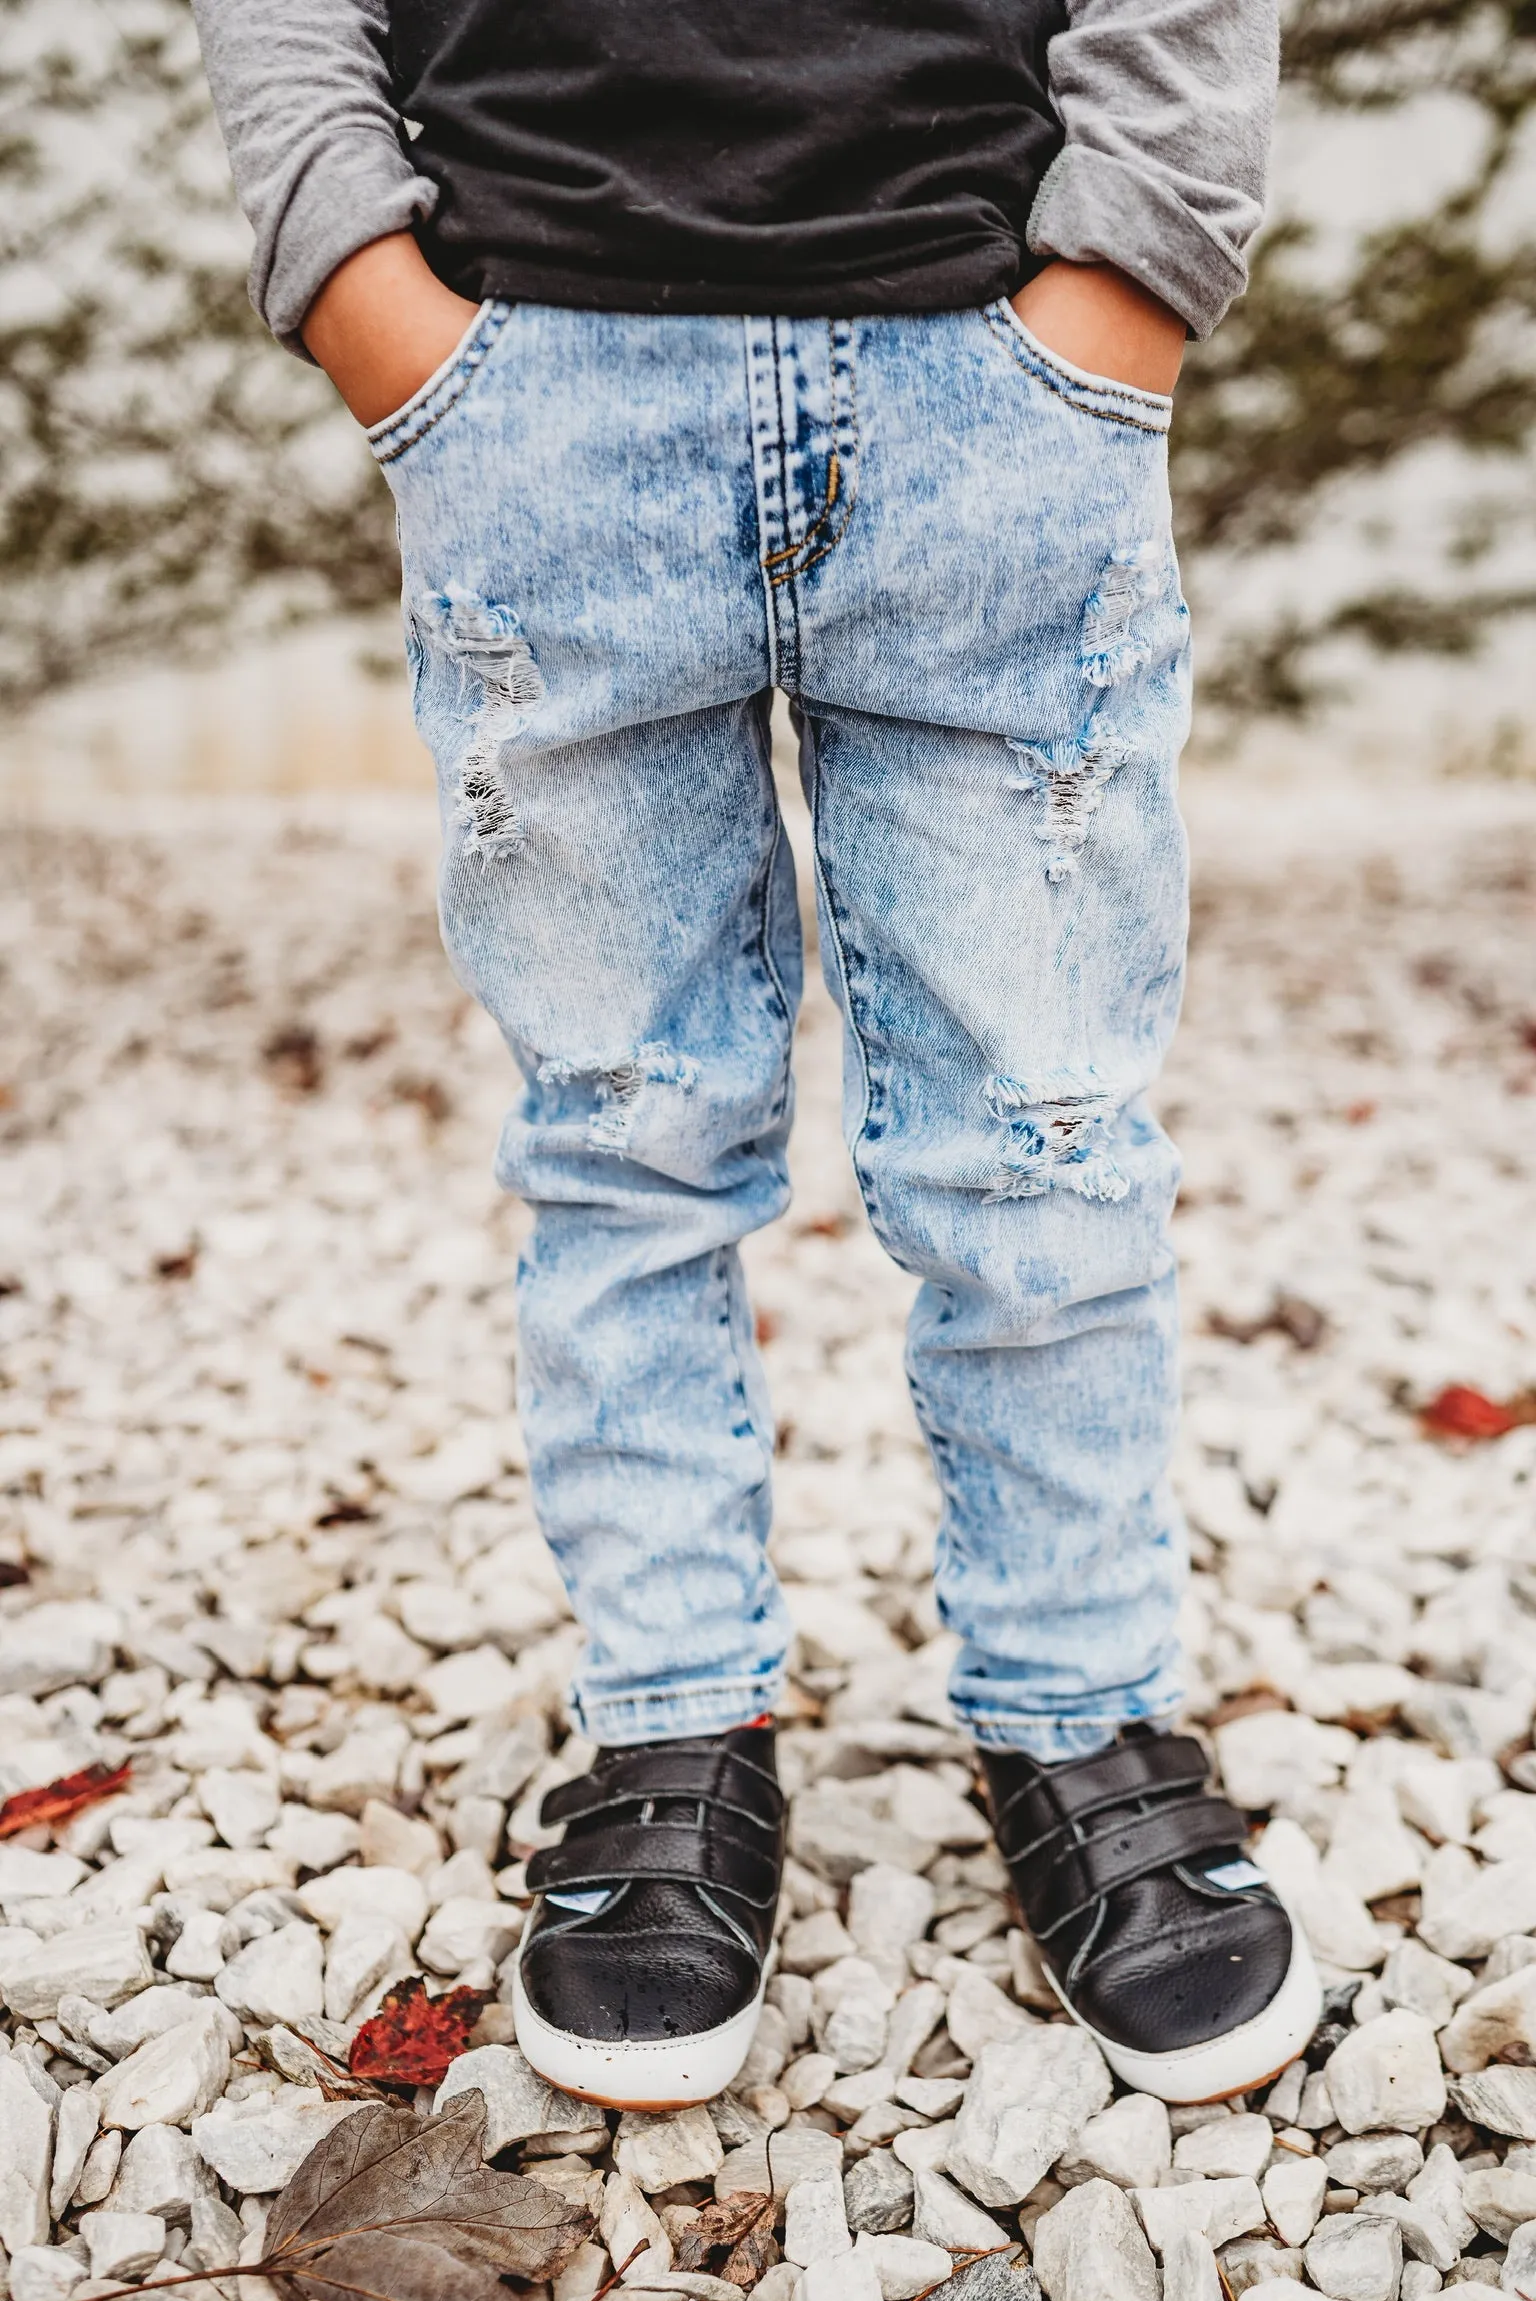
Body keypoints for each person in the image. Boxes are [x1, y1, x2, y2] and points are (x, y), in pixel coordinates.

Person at [192, 0, 1319, 2109]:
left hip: (995, 368)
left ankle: (1078, 1711)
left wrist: (1134, 268)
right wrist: (370, 301)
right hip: (535, 373)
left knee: (1044, 1137)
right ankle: (674, 1719)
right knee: (618, 1134)